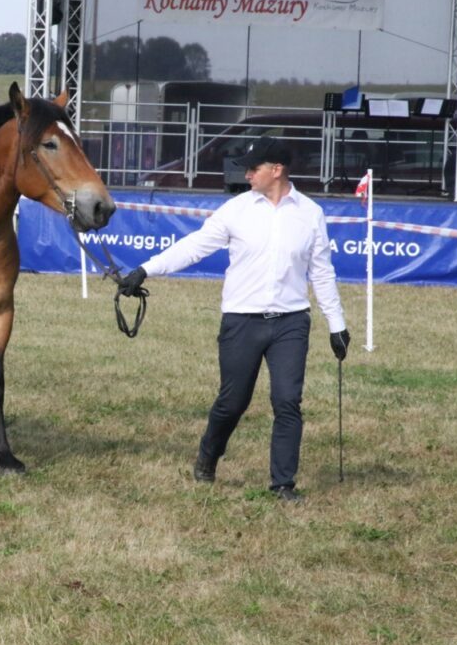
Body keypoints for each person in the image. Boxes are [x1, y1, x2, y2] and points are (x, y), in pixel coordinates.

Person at [119, 136, 350, 502]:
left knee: (287, 401)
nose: (246, 174)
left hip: (291, 321)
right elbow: (194, 247)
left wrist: (336, 324)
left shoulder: (310, 214)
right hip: (242, 321)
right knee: (233, 402)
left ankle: (283, 484)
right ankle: (208, 455)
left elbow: (321, 271)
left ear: (276, 171)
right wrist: (145, 270)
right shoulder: (236, 209)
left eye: (253, 168)